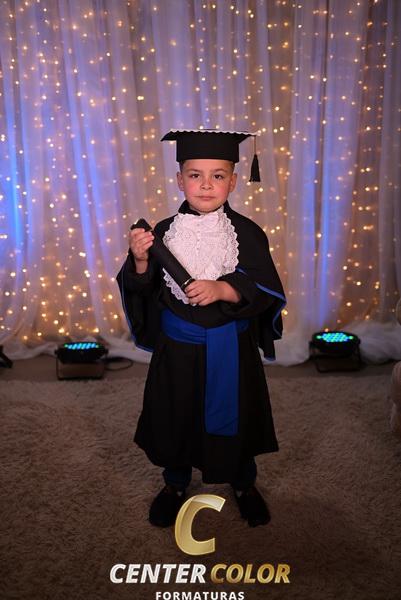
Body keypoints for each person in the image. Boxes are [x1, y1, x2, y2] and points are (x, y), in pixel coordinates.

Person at [116, 129, 286, 528]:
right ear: (180, 180)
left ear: (233, 181)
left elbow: (266, 288)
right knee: (176, 416)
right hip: (177, 348)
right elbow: (143, 288)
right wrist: (140, 260)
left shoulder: (247, 234)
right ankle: (175, 484)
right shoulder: (162, 233)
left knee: (235, 418)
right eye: (195, 175)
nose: (206, 185)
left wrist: (225, 289)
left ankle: (243, 483)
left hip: (231, 350)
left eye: (217, 175)